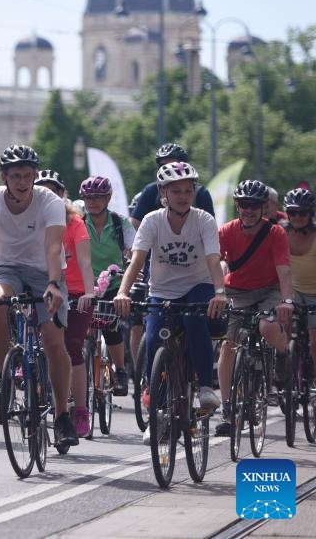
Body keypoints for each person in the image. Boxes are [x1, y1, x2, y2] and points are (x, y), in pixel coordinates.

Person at [0, 144, 78, 448]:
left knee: (54, 342)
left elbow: (54, 247)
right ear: (4, 176)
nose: (23, 182)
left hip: (45, 271)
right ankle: (4, 376)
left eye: (28, 175)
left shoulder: (49, 202)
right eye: (16, 175)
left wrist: (54, 284)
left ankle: (62, 416)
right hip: (5, 267)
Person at [111, 161, 227, 444]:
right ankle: (158, 414)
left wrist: (220, 292)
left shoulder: (204, 220)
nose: (184, 196)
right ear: (163, 192)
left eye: (188, 190)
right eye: (176, 191)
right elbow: (137, 260)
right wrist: (123, 292)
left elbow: (214, 259)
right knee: (152, 340)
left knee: (193, 319)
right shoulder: (152, 221)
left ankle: (204, 388)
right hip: (162, 290)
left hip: (198, 286)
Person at [213, 179, 294, 437]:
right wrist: (218, 292)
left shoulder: (275, 233)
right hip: (236, 291)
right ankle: (227, 409)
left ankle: (282, 356)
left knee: (268, 326)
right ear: (237, 206)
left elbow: (283, 270)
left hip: (269, 290)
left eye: (254, 206)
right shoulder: (226, 231)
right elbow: (219, 264)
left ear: (263, 209)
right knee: (228, 346)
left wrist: (287, 301)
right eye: (243, 205)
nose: (248, 210)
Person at [35, 169, 97, 439]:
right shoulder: (32, 219)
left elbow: (84, 261)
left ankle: (81, 410)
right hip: (44, 288)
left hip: (74, 291)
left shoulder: (75, 223)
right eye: (43, 190)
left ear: (62, 194)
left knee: (72, 348)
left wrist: (89, 292)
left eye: (54, 190)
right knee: (39, 345)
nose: (48, 195)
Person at [79, 175, 136, 395]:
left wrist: (132, 265)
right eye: (88, 197)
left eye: (99, 197)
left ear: (108, 198)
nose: (93, 202)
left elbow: (135, 249)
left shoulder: (121, 223)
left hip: (113, 285)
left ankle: (120, 371)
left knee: (111, 329)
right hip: (84, 285)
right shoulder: (79, 223)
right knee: (79, 330)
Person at [130, 143, 214, 228]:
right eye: (163, 167)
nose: (168, 170)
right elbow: (134, 228)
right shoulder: (150, 192)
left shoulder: (201, 194)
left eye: (188, 191)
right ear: (161, 190)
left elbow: (210, 228)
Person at [285, 188, 316, 368]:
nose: (297, 217)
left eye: (302, 212)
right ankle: (283, 372)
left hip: (315, 294)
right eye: (292, 212)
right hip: (292, 290)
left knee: (315, 343)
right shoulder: (280, 232)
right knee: (283, 328)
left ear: (310, 213)